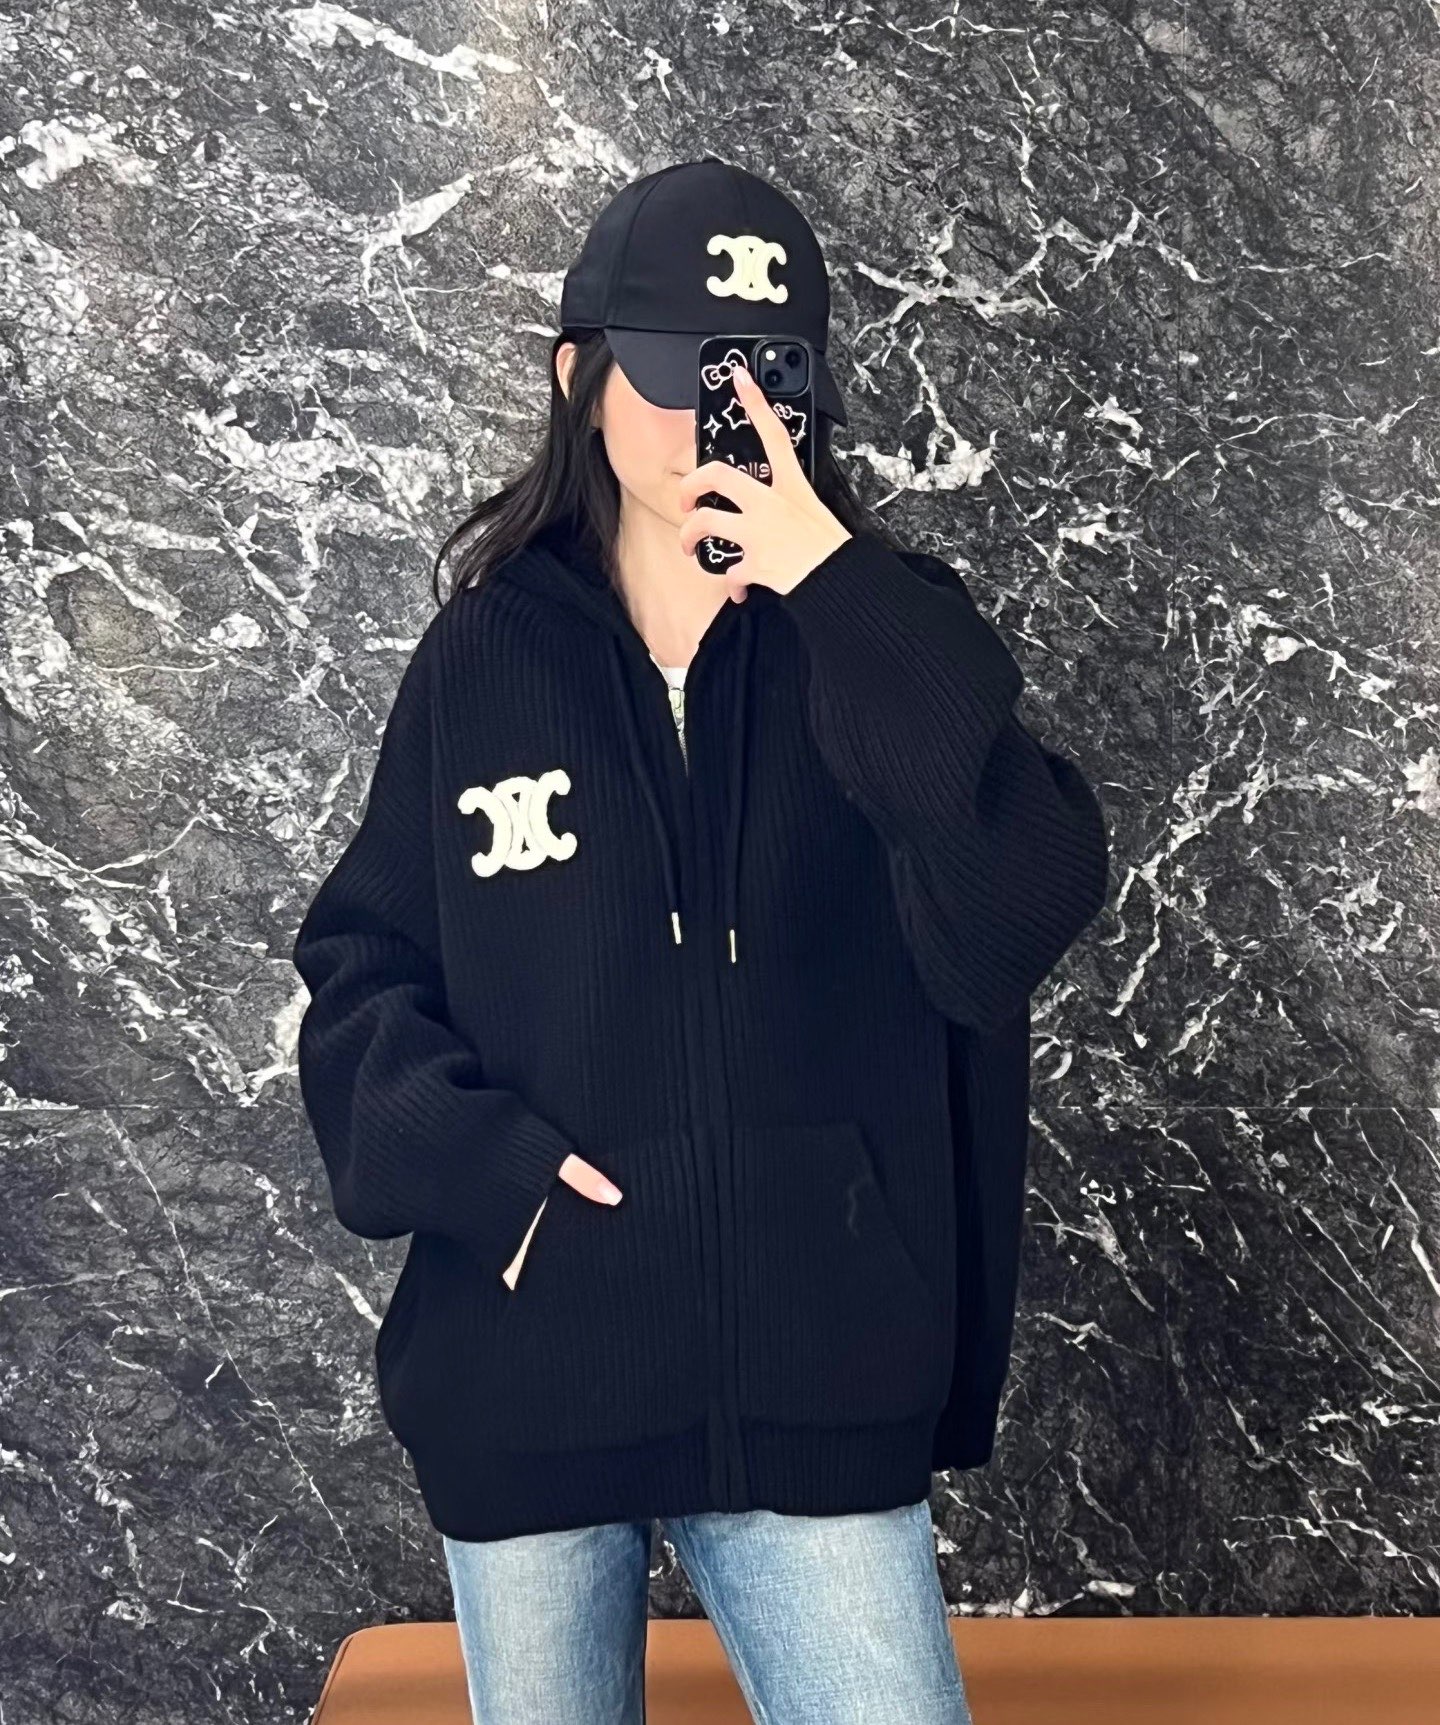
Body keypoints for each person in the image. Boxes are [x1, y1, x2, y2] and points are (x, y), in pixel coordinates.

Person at [292, 156, 1110, 1723]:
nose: (718, 417)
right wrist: (496, 1183)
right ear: (580, 378)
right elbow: (359, 974)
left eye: (760, 380)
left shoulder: (883, 633)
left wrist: (830, 583)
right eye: (679, 376)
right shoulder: (483, 658)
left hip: (820, 1374)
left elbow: (1016, 904)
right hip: (532, 1376)